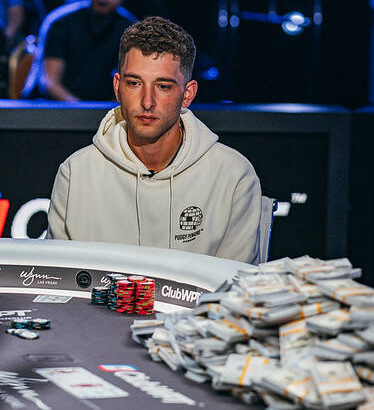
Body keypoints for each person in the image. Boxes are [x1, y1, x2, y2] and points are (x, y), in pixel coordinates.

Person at [47, 16, 262, 263]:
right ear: (118, 87)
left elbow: (235, 290)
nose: (147, 102)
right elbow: (59, 283)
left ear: (188, 94)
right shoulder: (76, 173)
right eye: (134, 83)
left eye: (163, 86)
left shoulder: (233, 176)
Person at [23, 0, 136, 101]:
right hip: (48, 109)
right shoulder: (60, 22)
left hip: (93, 112)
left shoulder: (128, 29)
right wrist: (84, 114)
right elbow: (50, 83)